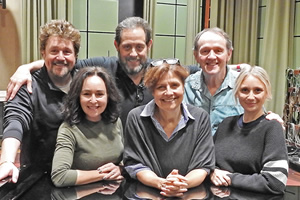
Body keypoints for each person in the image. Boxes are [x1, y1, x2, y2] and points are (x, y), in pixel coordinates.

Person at [5, 17, 200, 127]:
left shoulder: (160, 72)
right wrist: (27, 67)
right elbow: (65, 61)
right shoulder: (102, 67)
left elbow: (196, 69)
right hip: (110, 162)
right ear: (116, 45)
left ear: (149, 45)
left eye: (139, 47)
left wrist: (228, 68)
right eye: (127, 47)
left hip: (147, 160)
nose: (133, 54)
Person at [0, 19, 80, 183]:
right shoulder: (27, 86)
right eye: (54, 51)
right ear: (43, 53)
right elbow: (15, 121)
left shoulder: (86, 83)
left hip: (82, 178)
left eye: (66, 51)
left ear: (75, 55)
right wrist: (7, 161)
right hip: (39, 180)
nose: (60, 57)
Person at [123, 59, 215, 197]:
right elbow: (135, 163)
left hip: (190, 194)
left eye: (174, 85)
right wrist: (161, 183)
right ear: (152, 91)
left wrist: (182, 184)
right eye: (161, 87)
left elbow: (203, 166)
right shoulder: (136, 118)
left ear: (183, 87)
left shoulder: (200, 117)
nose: (169, 92)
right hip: (148, 194)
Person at [184, 27, 283, 135]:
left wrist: (272, 121)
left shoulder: (244, 85)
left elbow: (259, 121)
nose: (212, 56)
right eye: (205, 51)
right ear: (196, 56)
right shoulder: (183, 88)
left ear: (229, 54)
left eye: (218, 51)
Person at [211, 65, 288, 194]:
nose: (251, 97)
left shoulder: (272, 127)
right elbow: (206, 162)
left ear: (267, 93)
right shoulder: (225, 124)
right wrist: (212, 172)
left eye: (258, 90)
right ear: (236, 93)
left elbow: (275, 182)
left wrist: (229, 178)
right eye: (245, 90)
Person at [51, 67, 124, 187]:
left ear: (108, 96)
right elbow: (59, 176)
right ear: (78, 96)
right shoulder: (68, 129)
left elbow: (124, 160)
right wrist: (103, 174)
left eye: (99, 94)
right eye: (87, 94)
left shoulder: (115, 122)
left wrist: (120, 169)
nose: (93, 100)